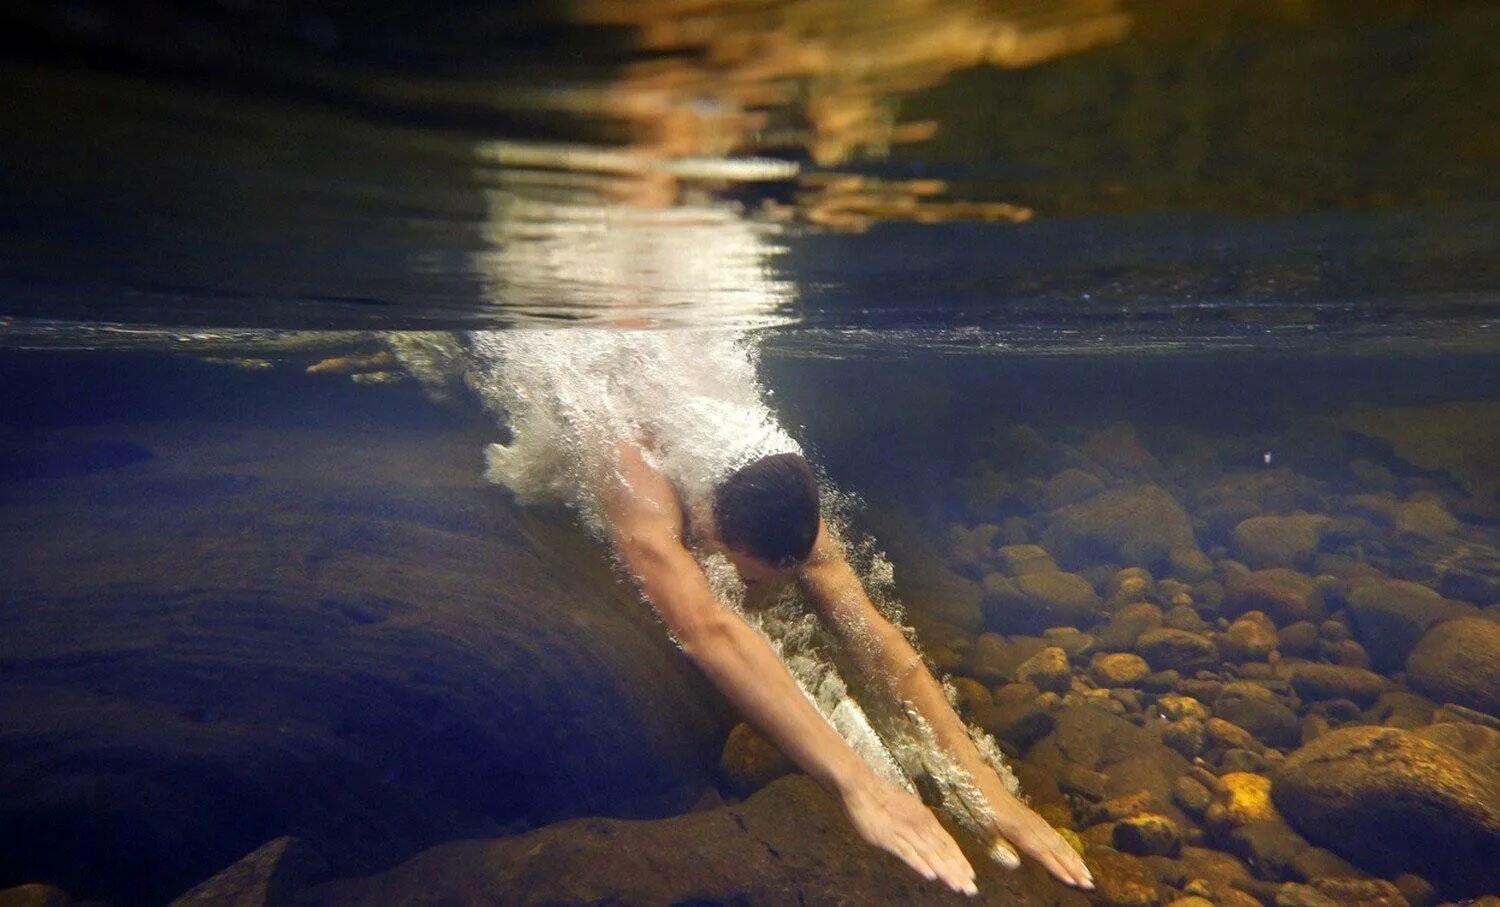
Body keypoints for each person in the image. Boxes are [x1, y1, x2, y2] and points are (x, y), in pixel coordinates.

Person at [597, 438, 1095, 895]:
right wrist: (859, 784)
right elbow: (709, 628)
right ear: (708, 525)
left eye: (776, 581)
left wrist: (985, 787)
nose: (764, 598)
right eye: (749, 579)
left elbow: (880, 644)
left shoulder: (792, 506)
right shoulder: (639, 480)